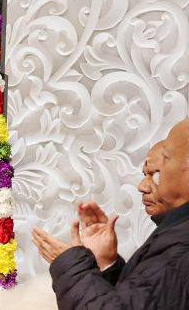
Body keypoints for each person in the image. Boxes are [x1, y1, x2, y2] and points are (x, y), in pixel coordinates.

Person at [32, 122, 189, 309]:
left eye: (165, 160)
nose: (142, 186)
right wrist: (107, 264)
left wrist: (72, 266)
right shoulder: (174, 233)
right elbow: (142, 299)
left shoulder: (181, 247)